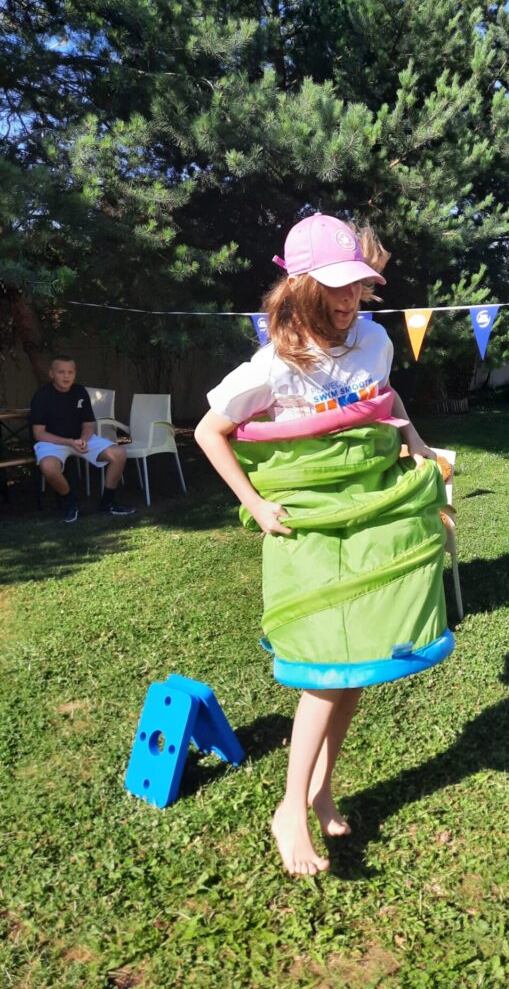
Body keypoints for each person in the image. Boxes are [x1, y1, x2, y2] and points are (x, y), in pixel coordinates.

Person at [195, 214, 454, 876]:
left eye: (357, 286)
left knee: (357, 664)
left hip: (366, 515)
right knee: (324, 672)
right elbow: (208, 431)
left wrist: (415, 442)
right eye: (334, 288)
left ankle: (320, 790)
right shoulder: (274, 365)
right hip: (308, 529)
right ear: (300, 289)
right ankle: (290, 808)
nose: (349, 300)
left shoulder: (373, 339)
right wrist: (255, 504)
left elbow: (383, 399)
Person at [30, 356, 135, 522]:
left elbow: (88, 425)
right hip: (53, 442)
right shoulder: (42, 396)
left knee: (119, 453)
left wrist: (83, 440)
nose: (66, 376)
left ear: (75, 374)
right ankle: (70, 503)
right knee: (48, 467)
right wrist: (69, 442)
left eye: (70, 372)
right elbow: (39, 434)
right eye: (61, 372)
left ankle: (107, 502)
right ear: (51, 374)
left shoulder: (80, 391)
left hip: (80, 439)